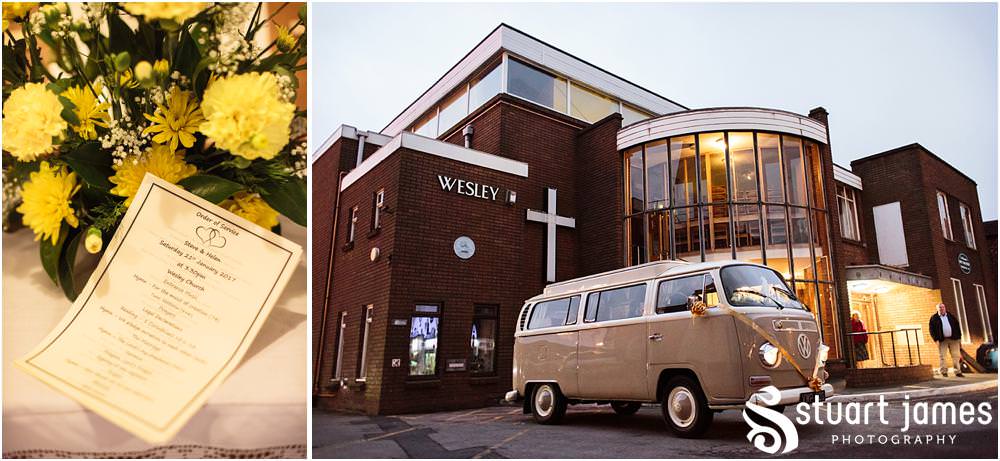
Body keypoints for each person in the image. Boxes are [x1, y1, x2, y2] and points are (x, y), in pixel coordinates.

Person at [929, 303, 964, 377]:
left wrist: (959, 338)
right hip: (942, 340)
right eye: (940, 308)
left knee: (956, 356)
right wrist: (936, 339)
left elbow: (957, 327)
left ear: (945, 308)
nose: (941, 309)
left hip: (953, 339)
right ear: (937, 309)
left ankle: (957, 371)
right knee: (942, 356)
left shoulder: (950, 316)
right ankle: (944, 371)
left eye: (943, 307)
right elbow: (931, 330)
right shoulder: (934, 318)